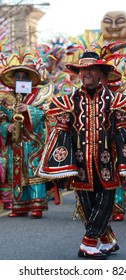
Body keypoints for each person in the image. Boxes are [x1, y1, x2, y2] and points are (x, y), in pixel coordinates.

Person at [37, 50, 126, 259]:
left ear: (100, 73)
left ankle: (88, 243)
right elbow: (61, 133)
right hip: (80, 164)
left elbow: (123, 132)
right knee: (86, 205)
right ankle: (108, 240)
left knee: (105, 201)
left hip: (106, 162)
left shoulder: (116, 99)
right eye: (83, 70)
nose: (86, 74)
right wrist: (62, 163)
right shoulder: (69, 101)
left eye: (91, 69)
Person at [0, 49, 49, 218]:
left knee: (33, 172)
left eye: (24, 77)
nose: (20, 80)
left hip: (33, 141)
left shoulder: (38, 96)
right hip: (15, 143)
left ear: (29, 80)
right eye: (17, 77)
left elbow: (45, 114)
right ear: (13, 80)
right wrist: (7, 127)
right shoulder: (6, 98)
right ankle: (19, 205)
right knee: (16, 173)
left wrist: (29, 109)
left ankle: (37, 205)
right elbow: (1, 119)